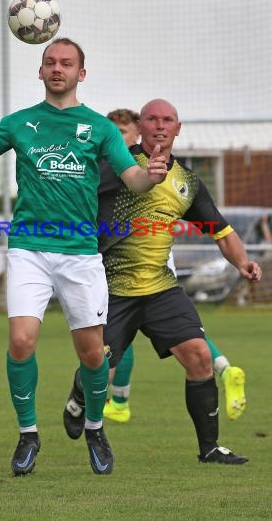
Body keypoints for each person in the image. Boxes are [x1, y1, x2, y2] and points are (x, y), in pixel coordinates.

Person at [0, 38, 168, 476]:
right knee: (22, 341)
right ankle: (28, 435)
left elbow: (134, 179)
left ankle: (96, 428)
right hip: (29, 249)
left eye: (66, 63)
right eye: (50, 62)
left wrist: (152, 175)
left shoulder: (98, 128)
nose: (57, 68)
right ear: (40, 71)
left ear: (81, 73)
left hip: (81, 255)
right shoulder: (20, 123)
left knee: (93, 355)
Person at [63, 98, 262, 465]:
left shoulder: (186, 181)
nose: (159, 125)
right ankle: (80, 394)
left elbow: (221, 231)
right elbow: (73, 199)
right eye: (151, 118)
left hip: (159, 288)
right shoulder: (115, 166)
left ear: (177, 128)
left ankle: (210, 449)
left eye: (167, 119)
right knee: (99, 369)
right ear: (140, 127)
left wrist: (243, 262)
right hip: (111, 288)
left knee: (200, 357)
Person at [102, 109, 246, 424]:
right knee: (125, 342)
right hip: (115, 265)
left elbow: (217, 228)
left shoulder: (158, 171)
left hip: (145, 265)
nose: (117, 139)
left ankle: (119, 402)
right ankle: (223, 367)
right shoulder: (107, 167)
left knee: (119, 342)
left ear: (136, 132)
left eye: (122, 132)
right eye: (111, 132)